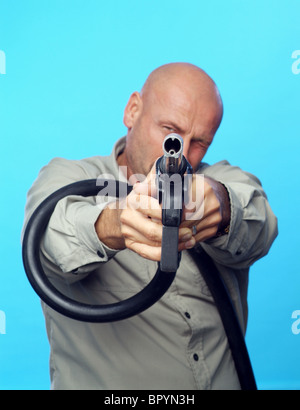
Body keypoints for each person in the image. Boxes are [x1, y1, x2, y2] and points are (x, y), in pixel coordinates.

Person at [22, 62, 278, 390]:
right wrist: (116, 223)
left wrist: (221, 206)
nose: (182, 151)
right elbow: (49, 244)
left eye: (199, 141)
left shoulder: (219, 178)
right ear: (132, 111)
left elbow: (259, 221)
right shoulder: (67, 179)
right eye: (170, 130)